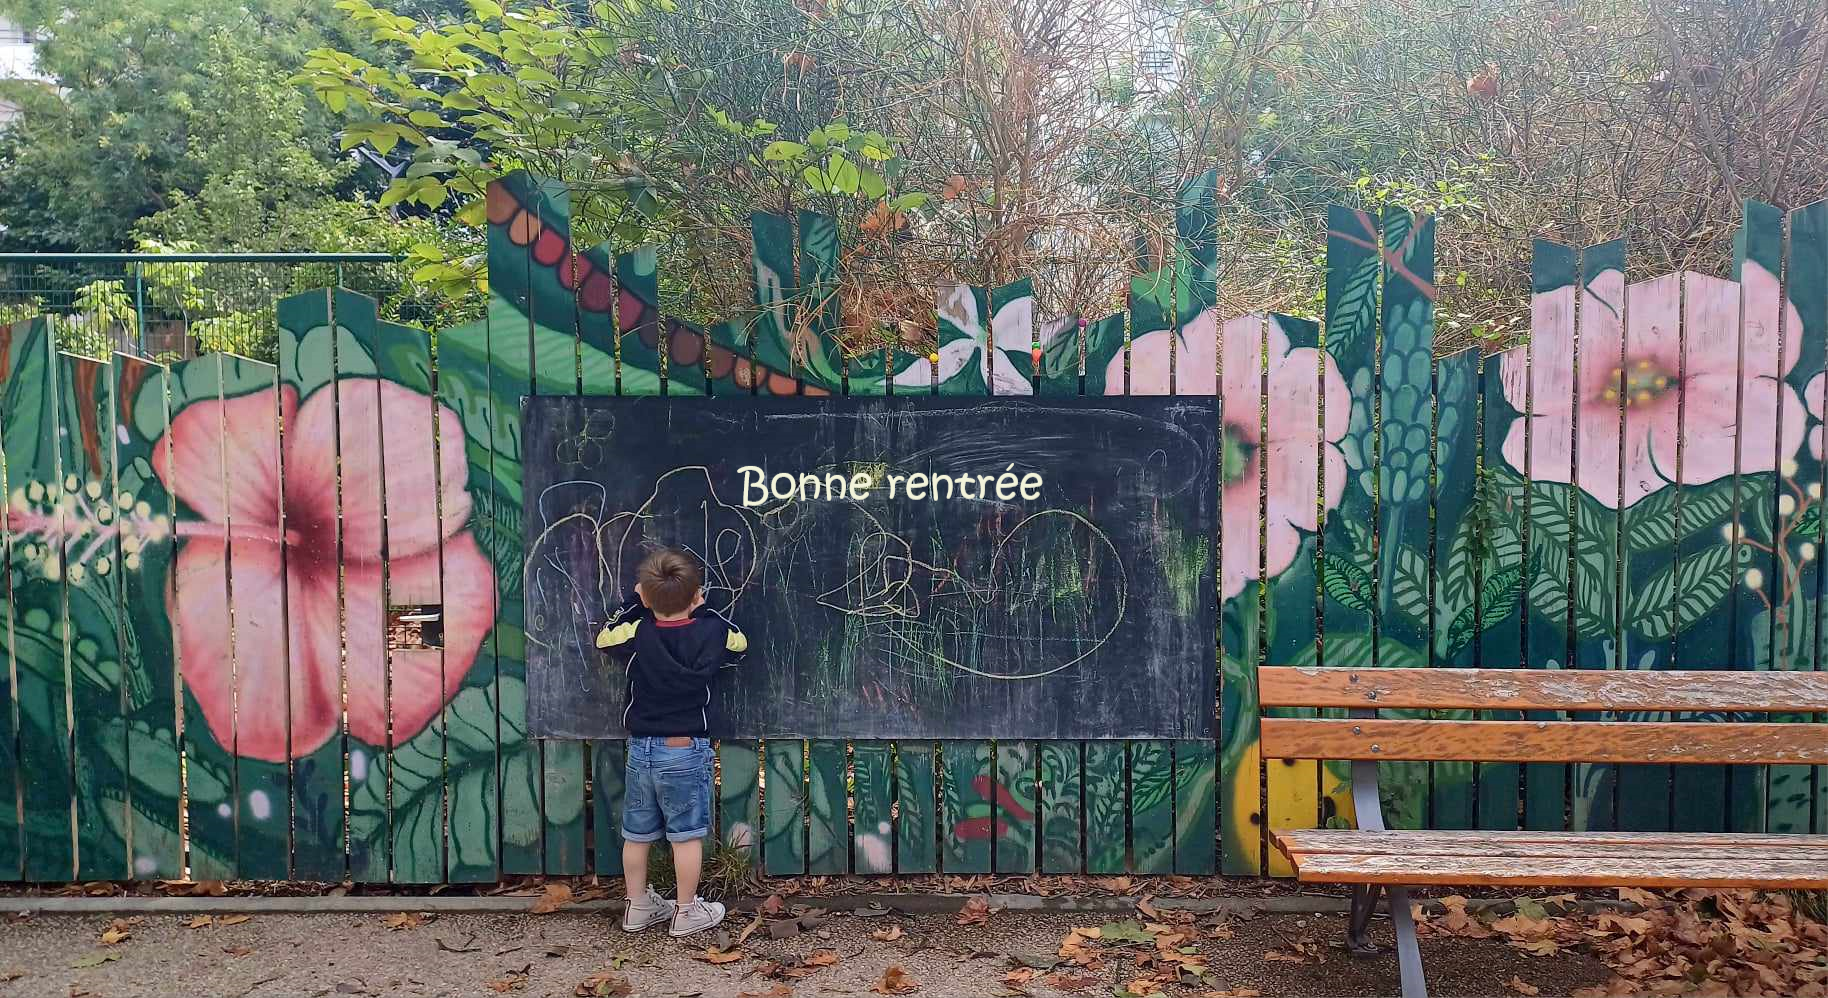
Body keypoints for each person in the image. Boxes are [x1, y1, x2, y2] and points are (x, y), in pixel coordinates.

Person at [596, 548, 748, 937]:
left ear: (647, 598)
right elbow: (739, 641)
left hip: (642, 748)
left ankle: (637, 907)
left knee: (636, 833)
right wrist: (701, 607)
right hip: (684, 748)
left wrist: (635, 602)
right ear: (697, 595)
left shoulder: (637, 631)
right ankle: (686, 911)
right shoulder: (712, 630)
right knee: (685, 835)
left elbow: (604, 637)